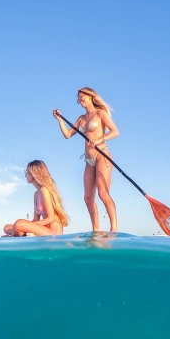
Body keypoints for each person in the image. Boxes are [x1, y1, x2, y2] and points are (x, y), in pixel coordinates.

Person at [53, 87, 119, 232]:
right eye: (78, 98)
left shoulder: (100, 113)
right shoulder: (81, 119)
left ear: (90, 96)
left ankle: (114, 229)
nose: (80, 99)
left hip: (102, 155)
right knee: (88, 198)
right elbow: (68, 135)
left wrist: (100, 140)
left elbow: (115, 132)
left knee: (103, 193)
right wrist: (59, 120)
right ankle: (96, 230)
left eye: (82, 96)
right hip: (89, 160)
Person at [3, 160, 69, 237]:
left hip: (53, 231)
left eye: (27, 172)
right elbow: (36, 219)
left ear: (34, 174)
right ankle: (24, 234)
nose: (25, 175)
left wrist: (25, 226)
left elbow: (50, 218)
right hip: (43, 228)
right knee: (7, 228)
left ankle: (18, 235)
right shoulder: (36, 194)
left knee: (18, 224)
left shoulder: (45, 189)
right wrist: (27, 226)